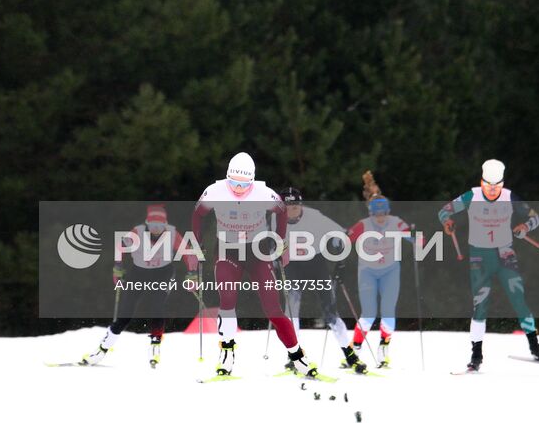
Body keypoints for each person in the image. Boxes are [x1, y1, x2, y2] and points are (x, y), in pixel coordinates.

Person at [192, 152, 318, 377]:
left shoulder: (264, 193)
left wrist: (279, 241)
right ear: (227, 177)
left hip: (257, 251)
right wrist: (197, 241)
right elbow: (197, 214)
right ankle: (227, 352)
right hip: (227, 250)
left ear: (252, 180)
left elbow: (281, 212)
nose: (238, 188)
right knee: (228, 298)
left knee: (273, 308)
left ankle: (298, 356)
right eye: (234, 183)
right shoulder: (215, 191)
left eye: (244, 184)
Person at [437, 158, 539, 371]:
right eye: (488, 186)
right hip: (479, 257)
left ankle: (535, 347)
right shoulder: (472, 196)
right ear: (482, 182)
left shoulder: (509, 198)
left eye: (496, 186)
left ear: (502, 184)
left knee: (519, 300)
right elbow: (444, 211)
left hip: (505, 255)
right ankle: (476, 355)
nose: (492, 190)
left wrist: (525, 227)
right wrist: (448, 222)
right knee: (480, 306)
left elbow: (535, 217)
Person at [278, 186, 368, 373]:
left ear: (301, 204)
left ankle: (350, 355)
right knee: (291, 310)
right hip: (292, 266)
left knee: (330, 313)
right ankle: (294, 357)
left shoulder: (314, 216)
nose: (292, 209)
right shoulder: (275, 219)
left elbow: (340, 234)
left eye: (295, 205)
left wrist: (340, 262)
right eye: (287, 206)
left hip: (315, 264)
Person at [82, 204, 183, 366]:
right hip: (139, 273)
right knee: (125, 313)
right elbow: (120, 247)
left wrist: (193, 272)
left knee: (157, 307)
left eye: (160, 225)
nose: (156, 229)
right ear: (147, 223)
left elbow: (189, 252)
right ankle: (102, 349)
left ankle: (155, 346)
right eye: (153, 225)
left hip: (163, 273)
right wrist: (117, 267)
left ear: (165, 224)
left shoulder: (172, 233)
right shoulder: (137, 232)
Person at [347, 171, 413, 367]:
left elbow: (416, 238)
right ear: (370, 214)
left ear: (388, 212)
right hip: (367, 272)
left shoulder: (396, 222)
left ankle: (383, 351)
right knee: (368, 313)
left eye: (384, 214)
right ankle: (354, 350)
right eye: (377, 215)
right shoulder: (363, 225)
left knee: (388, 312)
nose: (381, 218)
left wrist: (416, 237)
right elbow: (345, 239)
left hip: (390, 271)